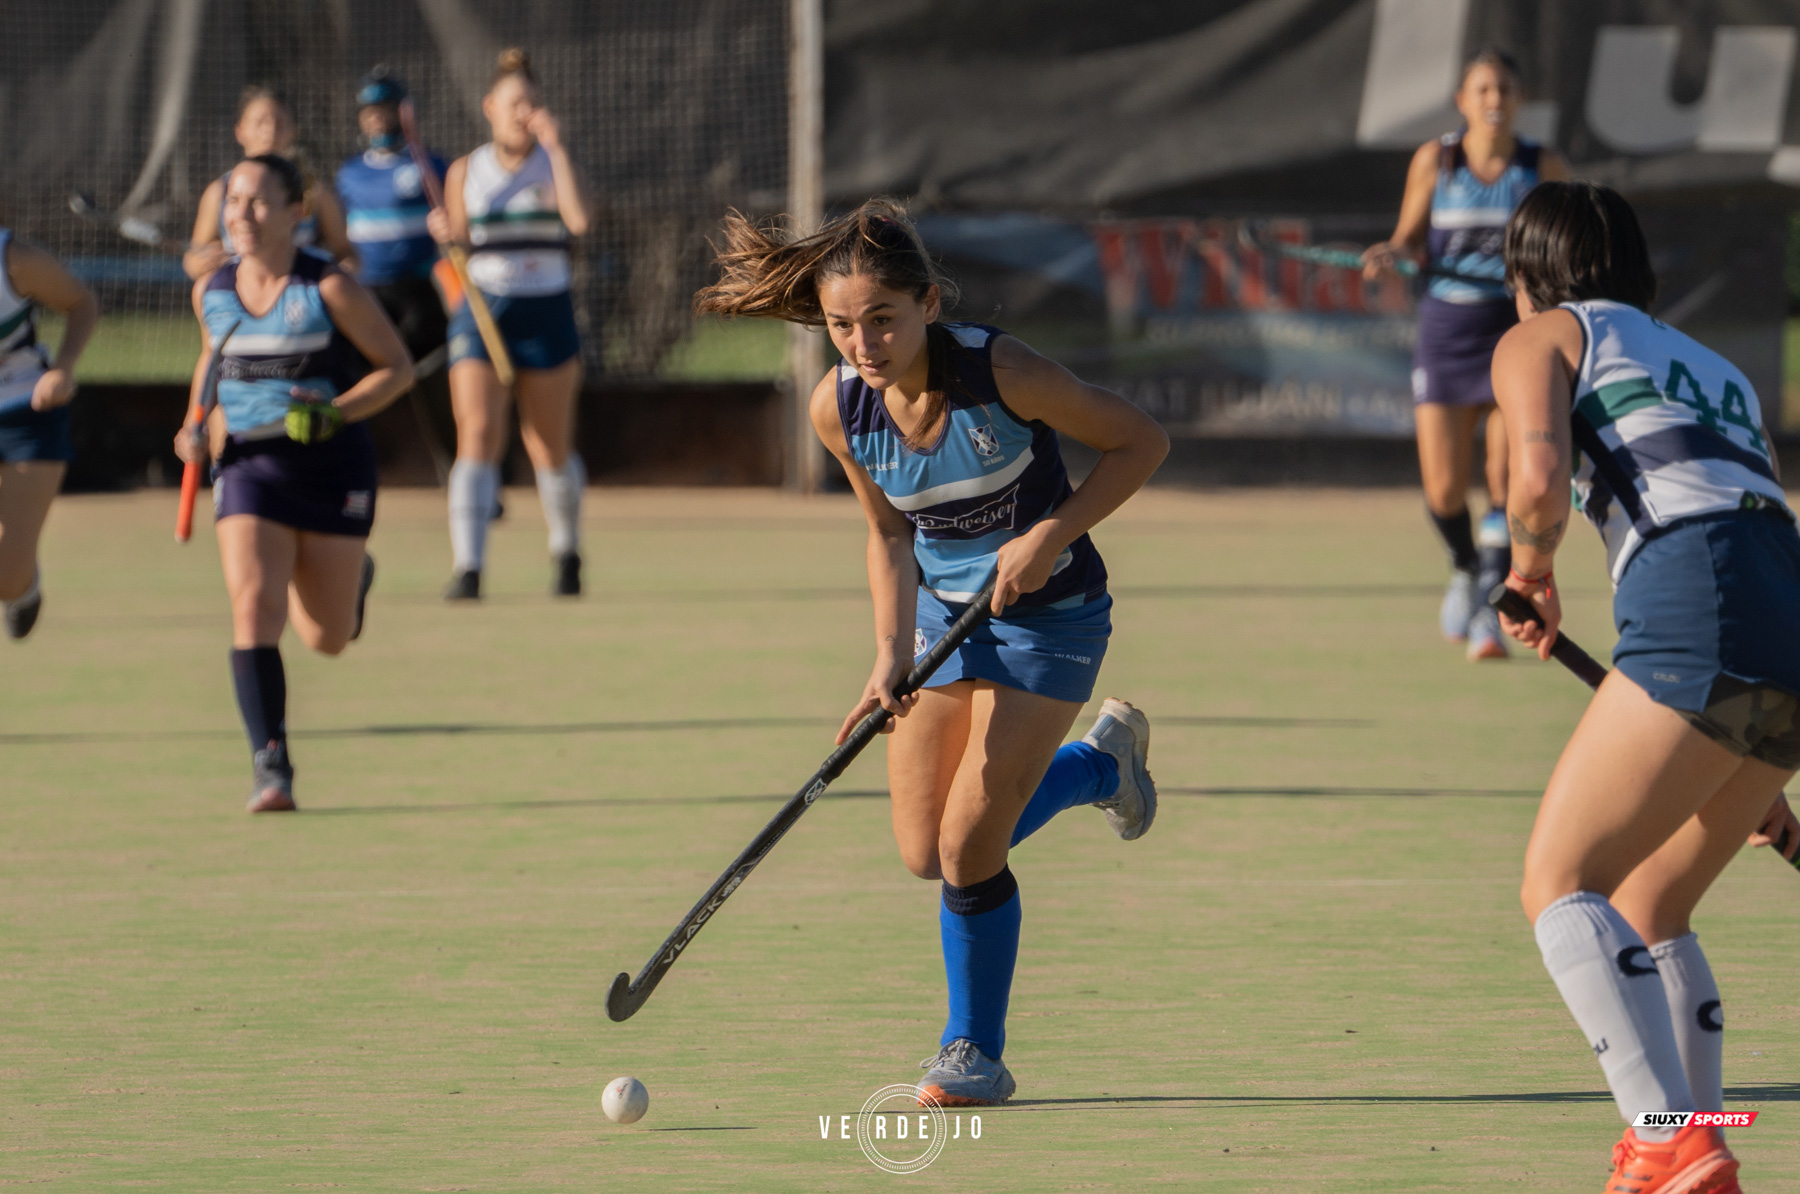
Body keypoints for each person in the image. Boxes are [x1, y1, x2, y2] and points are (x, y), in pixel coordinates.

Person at [695, 200, 1170, 1106]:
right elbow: (887, 538)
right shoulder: (840, 409)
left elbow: (1142, 440)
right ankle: (1100, 769)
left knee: (967, 851)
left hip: (1050, 620)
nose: (864, 344)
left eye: (883, 318)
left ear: (928, 304)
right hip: (941, 625)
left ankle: (973, 1052)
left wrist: (1048, 536)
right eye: (842, 326)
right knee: (924, 850)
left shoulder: (1002, 372)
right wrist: (885, 657)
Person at [1495, 180, 1800, 1194]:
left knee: (1561, 883)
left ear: (1527, 274)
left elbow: (1538, 482)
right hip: (1783, 615)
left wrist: (1529, 570)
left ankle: (1667, 1136)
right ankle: (1684, 1143)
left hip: (1694, 598)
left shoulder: (1539, 339)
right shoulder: (1713, 362)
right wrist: (1753, 765)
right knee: (1652, 900)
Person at [175, 154, 413, 812]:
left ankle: (355, 580)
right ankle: (271, 762)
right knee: (253, 606)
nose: (241, 215)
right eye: (232, 202)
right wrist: (196, 422)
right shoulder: (212, 290)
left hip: (334, 468)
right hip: (249, 466)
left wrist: (337, 410)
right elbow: (211, 361)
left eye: (257, 202)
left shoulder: (329, 287)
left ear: (293, 212)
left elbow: (396, 368)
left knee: (327, 638)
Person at [1364, 48, 1567, 660]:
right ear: (1463, 100)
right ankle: (1463, 567)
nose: (1494, 100)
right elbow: (1408, 238)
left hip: (1514, 337)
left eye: (1504, 88)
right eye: (1482, 90)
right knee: (1443, 489)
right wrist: (1392, 254)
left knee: (1506, 477)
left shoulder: (1542, 165)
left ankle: (1488, 603)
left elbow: (1565, 242)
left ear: (1519, 98)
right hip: (1446, 335)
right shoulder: (1437, 159)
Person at [427, 47, 590, 600]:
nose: (524, 111)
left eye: (532, 102)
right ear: (490, 106)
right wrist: (445, 231)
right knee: (476, 434)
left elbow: (579, 219)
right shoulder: (465, 170)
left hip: (546, 305)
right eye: (514, 101)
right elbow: (459, 246)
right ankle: (468, 568)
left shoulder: (552, 161)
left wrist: (557, 146)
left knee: (548, 444)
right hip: (484, 311)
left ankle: (566, 553)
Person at [0, 230, 98, 639]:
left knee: (7, 577)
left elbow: (81, 303)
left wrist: (64, 367)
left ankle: (24, 585)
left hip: (27, 410)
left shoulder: (15, 259)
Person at [183, 86, 356, 282]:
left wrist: (339, 280)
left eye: (280, 123)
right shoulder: (219, 190)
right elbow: (193, 259)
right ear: (240, 131)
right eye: (260, 122)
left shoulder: (314, 191)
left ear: (294, 131)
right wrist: (204, 263)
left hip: (298, 304)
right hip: (245, 302)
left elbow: (346, 253)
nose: (270, 130)